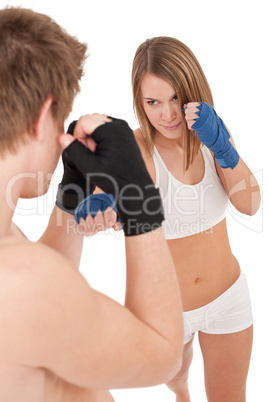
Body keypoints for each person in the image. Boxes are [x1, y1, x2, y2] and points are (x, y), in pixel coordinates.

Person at [0, 10, 184, 402]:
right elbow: (162, 351)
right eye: (59, 120)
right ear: (40, 119)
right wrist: (139, 197)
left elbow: (45, 311)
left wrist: (72, 193)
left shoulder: (14, 253)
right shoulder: (18, 282)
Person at [78, 36, 261, 401]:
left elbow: (251, 205)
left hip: (227, 300)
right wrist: (101, 206)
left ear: (192, 91)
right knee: (177, 375)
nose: (168, 114)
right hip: (167, 313)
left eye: (176, 98)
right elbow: (110, 191)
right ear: (140, 103)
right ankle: (181, 392)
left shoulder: (211, 134)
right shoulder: (135, 148)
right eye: (154, 102)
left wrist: (222, 147)